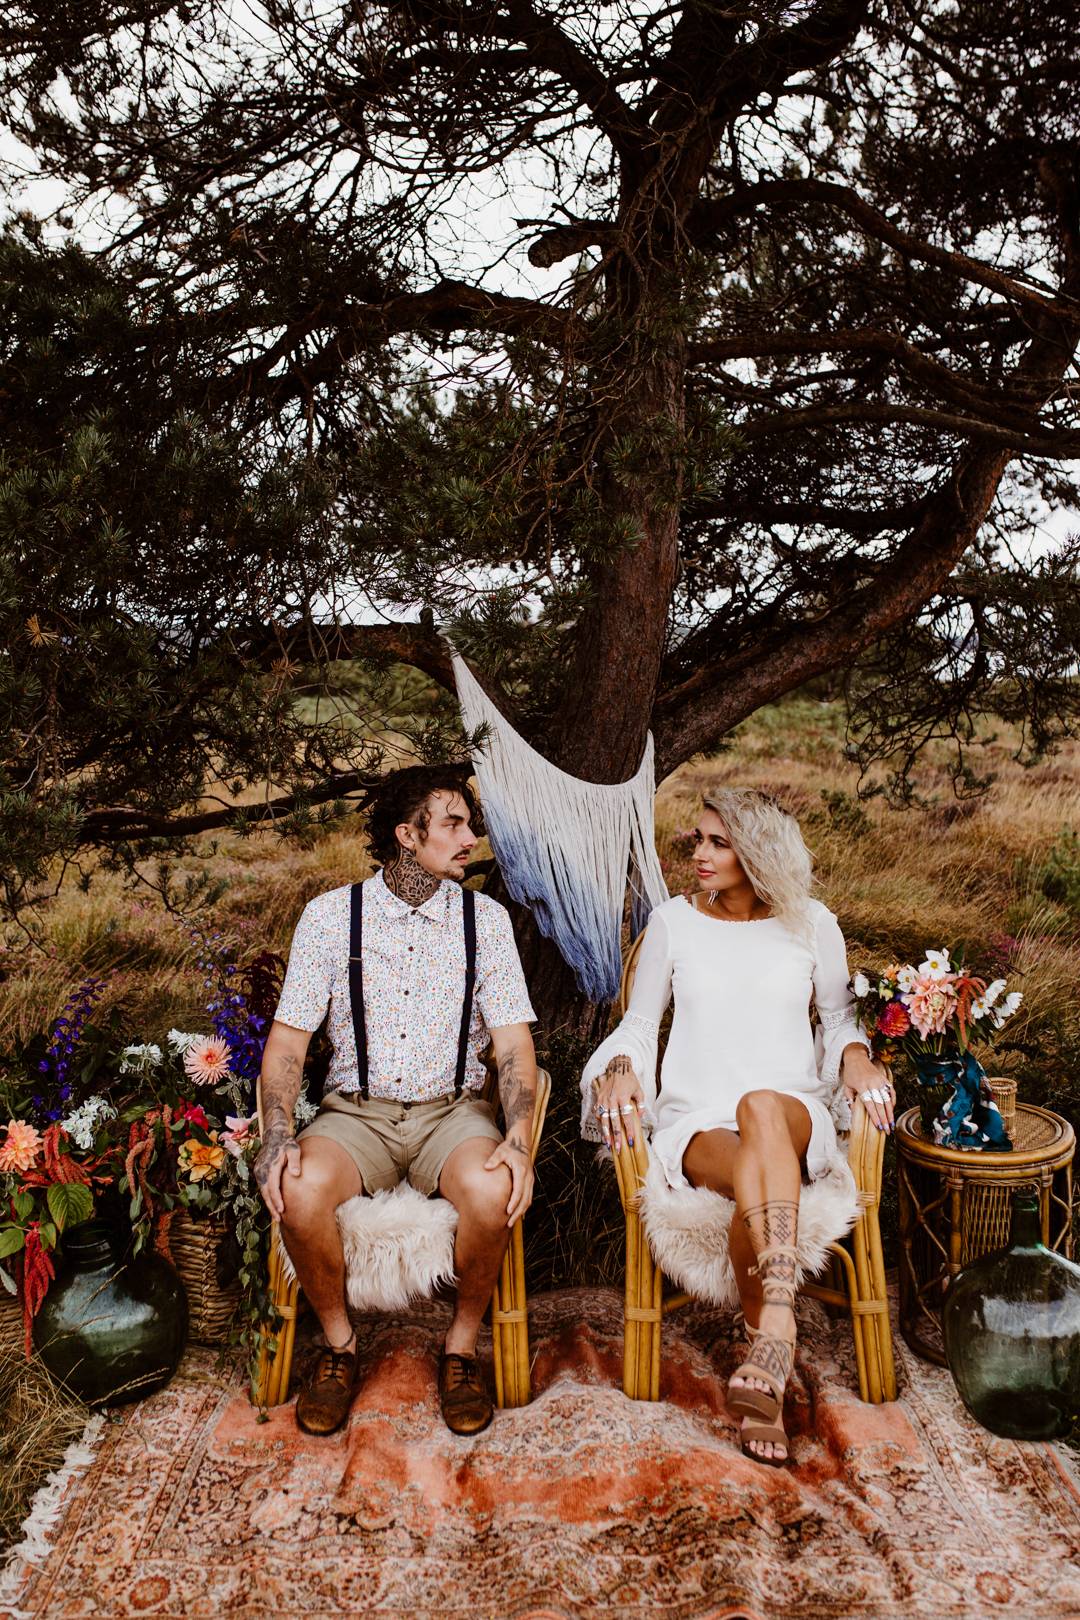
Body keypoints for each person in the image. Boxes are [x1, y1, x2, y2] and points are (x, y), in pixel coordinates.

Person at [581, 787, 892, 1466]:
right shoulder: (673, 923)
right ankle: (775, 1339)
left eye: (717, 842)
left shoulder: (812, 924)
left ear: (757, 851)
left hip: (792, 1114)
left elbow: (839, 1022)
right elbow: (637, 1024)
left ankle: (769, 1343)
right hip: (698, 1123)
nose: (699, 853)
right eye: (698, 839)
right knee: (747, 1169)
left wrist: (859, 1061)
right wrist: (624, 1068)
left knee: (760, 1105)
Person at [255, 764, 538, 1438]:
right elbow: (288, 1046)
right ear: (407, 835)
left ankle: (461, 1350)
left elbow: (515, 1049)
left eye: (470, 824)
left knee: (495, 1190)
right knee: (295, 1189)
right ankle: (339, 1346)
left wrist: (519, 1138)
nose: (472, 837)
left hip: (453, 1113)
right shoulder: (330, 918)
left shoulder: (485, 922)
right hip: (357, 1116)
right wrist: (274, 1135)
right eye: (454, 824)